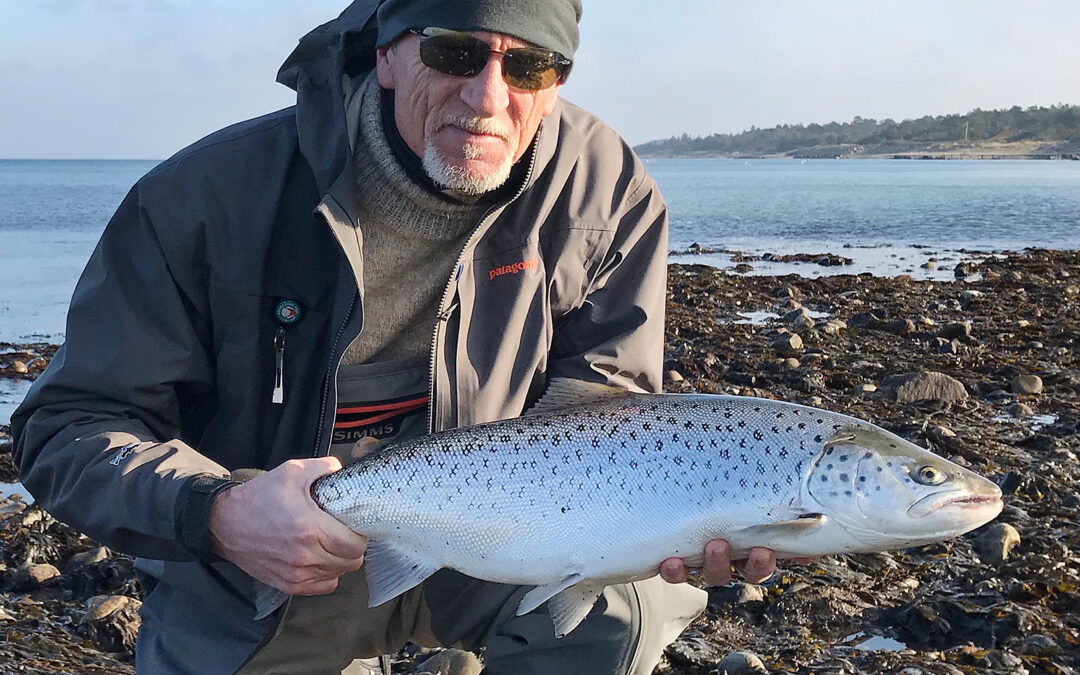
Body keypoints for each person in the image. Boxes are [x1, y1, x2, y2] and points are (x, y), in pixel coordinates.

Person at [12, 1, 784, 673]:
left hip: (509, 536)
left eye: (532, 67)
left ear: (557, 83)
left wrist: (693, 520)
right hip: (269, 558)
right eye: (454, 52)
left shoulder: (608, 191)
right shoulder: (205, 197)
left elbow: (610, 413)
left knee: (627, 609)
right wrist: (217, 511)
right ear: (385, 52)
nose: (487, 96)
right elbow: (65, 425)